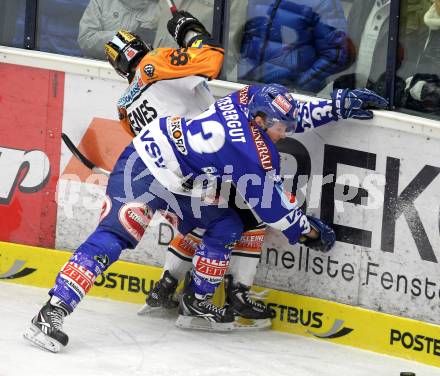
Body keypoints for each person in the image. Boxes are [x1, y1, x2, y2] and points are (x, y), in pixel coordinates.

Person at [24, 76, 387, 351]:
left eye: (287, 128)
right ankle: (52, 311)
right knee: (115, 237)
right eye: (282, 129)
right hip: (144, 168)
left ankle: (196, 303)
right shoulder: (252, 153)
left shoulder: (249, 98)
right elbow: (276, 211)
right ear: (259, 120)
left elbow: (291, 113)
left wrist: (337, 106)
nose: (286, 133)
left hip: (183, 180)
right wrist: (310, 233)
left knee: (226, 224)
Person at [238, 0, 352, 93]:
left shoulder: (325, 3)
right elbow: (247, 34)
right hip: (247, 87)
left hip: (288, 97)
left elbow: (336, 55)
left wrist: (300, 87)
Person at [78, 0, 159, 59]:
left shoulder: (159, 10)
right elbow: (85, 39)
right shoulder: (102, 2)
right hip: (95, 69)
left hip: (136, 74)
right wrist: (125, 38)